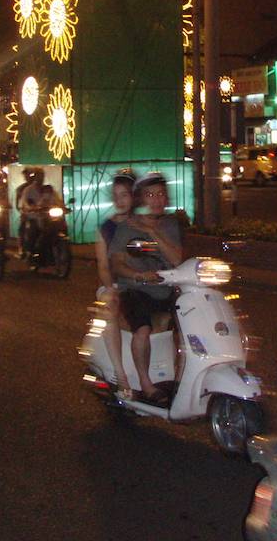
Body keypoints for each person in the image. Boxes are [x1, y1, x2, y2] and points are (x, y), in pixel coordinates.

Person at [107, 172, 183, 405]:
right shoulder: (126, 228)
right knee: (142, 329)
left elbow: (177, 259)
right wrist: (138, 275)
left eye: (161, 194)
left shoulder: (170, 224)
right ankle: (146, 384)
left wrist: (152, 232)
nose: (157, 199)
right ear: (141, 199)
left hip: (167, 288)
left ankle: (180, 380)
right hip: (136, 289)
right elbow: (117, 263)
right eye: (150, 195)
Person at [94, 172, 136, 394]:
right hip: (114, 285)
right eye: (116, 196)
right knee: (109, 309)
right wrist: (113, 288)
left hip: (140, 284)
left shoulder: (144, 224)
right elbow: (103, 266)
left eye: (125, 195)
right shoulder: (105, 228)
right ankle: (121, 376)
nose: (120, 200)